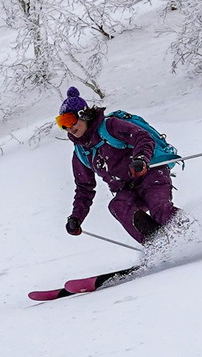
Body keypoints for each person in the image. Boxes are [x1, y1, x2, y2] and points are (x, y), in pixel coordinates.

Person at [56, 87, 182, 246]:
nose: (68, 128)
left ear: (83, 115)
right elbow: (84, 188)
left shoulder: (110, 126)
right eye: (62, 123)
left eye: (69, 120)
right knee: (118, 205)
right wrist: (76, 217)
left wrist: (141, 159)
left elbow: (142, 137)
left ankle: (193, 232)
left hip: (150, 174)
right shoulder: (81, 152)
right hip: (127, 189)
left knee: (159, 209)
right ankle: (158, 244)